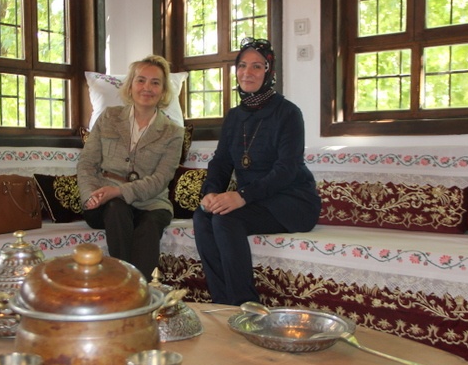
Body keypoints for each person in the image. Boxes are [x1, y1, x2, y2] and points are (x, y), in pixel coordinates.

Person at [193, 37, 321, 305]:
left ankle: (244, 306)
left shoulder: (288, 113)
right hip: (256, 200)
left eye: (256, 66)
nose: (247, 73)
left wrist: (242, 196)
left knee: (226, 220)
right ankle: (222, 303)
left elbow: (287, 169)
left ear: (269, 71)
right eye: (242, 66)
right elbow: (221, 162)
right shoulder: (234, 116)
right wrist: (211, 192)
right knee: (203, 216)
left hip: (292, 201)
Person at [77, 55, 184, 280]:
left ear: (163, 90)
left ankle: (136, 289)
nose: (147, 88)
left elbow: (161, 179)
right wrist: (90, 196)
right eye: (141, 80)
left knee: (150, 225)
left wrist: (119, 191)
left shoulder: (173, 132)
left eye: (155, 83)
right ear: (131, 85)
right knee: (116, 208)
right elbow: (87, 163)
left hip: (151, 203)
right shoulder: (109, 117)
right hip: (105, 204)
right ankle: (127, 286)